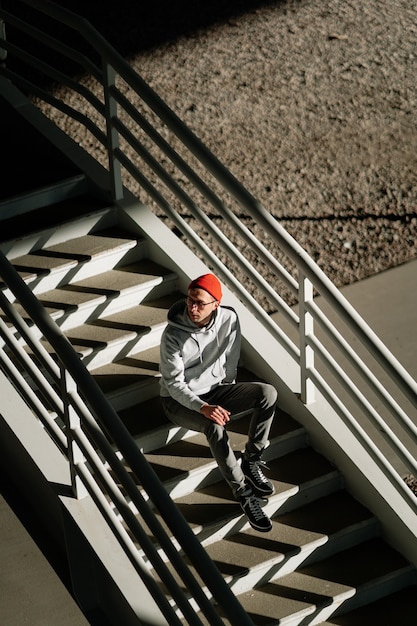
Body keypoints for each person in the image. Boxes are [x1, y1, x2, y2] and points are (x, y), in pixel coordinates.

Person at [159, 273, 278, 532]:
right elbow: (173, 384)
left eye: (200, 303)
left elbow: (231, 358)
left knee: (267, 393)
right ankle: (244, 494)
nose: (192, 307)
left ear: (216, 304)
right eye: (190, 300)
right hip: (178, 401)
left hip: (215, 390)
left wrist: (227, 393)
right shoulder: (172, 334)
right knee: (213, 427)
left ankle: (251, 460)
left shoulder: (229, 318)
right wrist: (203, 407)